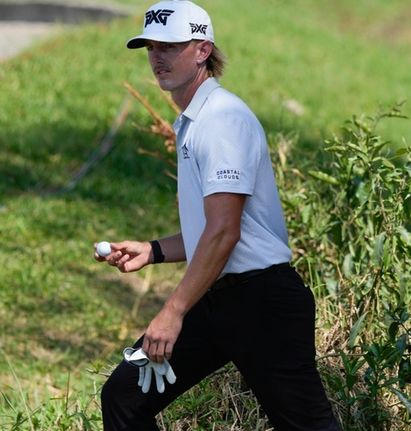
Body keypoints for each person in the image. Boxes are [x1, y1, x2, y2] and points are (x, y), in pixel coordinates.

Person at [95, 1, 339, 430]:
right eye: (150, 47)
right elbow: (212, 230)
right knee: (124, 397)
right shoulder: (192, 121)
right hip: (220, 297)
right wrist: (152, 250)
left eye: (169, 46)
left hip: (263, 303)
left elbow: (225, 232)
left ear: (203, 50)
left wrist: (172, 311)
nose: (157, 58)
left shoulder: (222, 119)